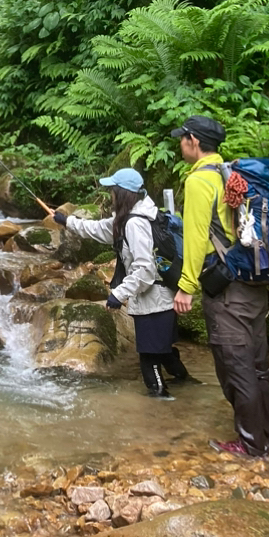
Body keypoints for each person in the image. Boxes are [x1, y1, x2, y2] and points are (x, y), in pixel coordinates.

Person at [170, 114, 269, 457]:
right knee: (258, 363)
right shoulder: (232, 174)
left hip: (226, 288)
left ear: (193, 141)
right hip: (253, 280)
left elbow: (194, 239)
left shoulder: (199, 182)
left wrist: (185, 286)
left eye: (182, 138)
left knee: (235, 367)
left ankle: (250, 445)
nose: (180, 144)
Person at [51, 167, 191, 397]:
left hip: (155, 302)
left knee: (149, 360)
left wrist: (119, 294)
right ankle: (187, 387)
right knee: (163, 352)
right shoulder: (126, 219)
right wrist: (67, 222)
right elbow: (96, 229)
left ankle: (160, 403)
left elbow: (145, 269)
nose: (110, 196)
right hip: (160, 298)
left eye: (113, 191)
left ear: (123, 194)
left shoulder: (135, 223)